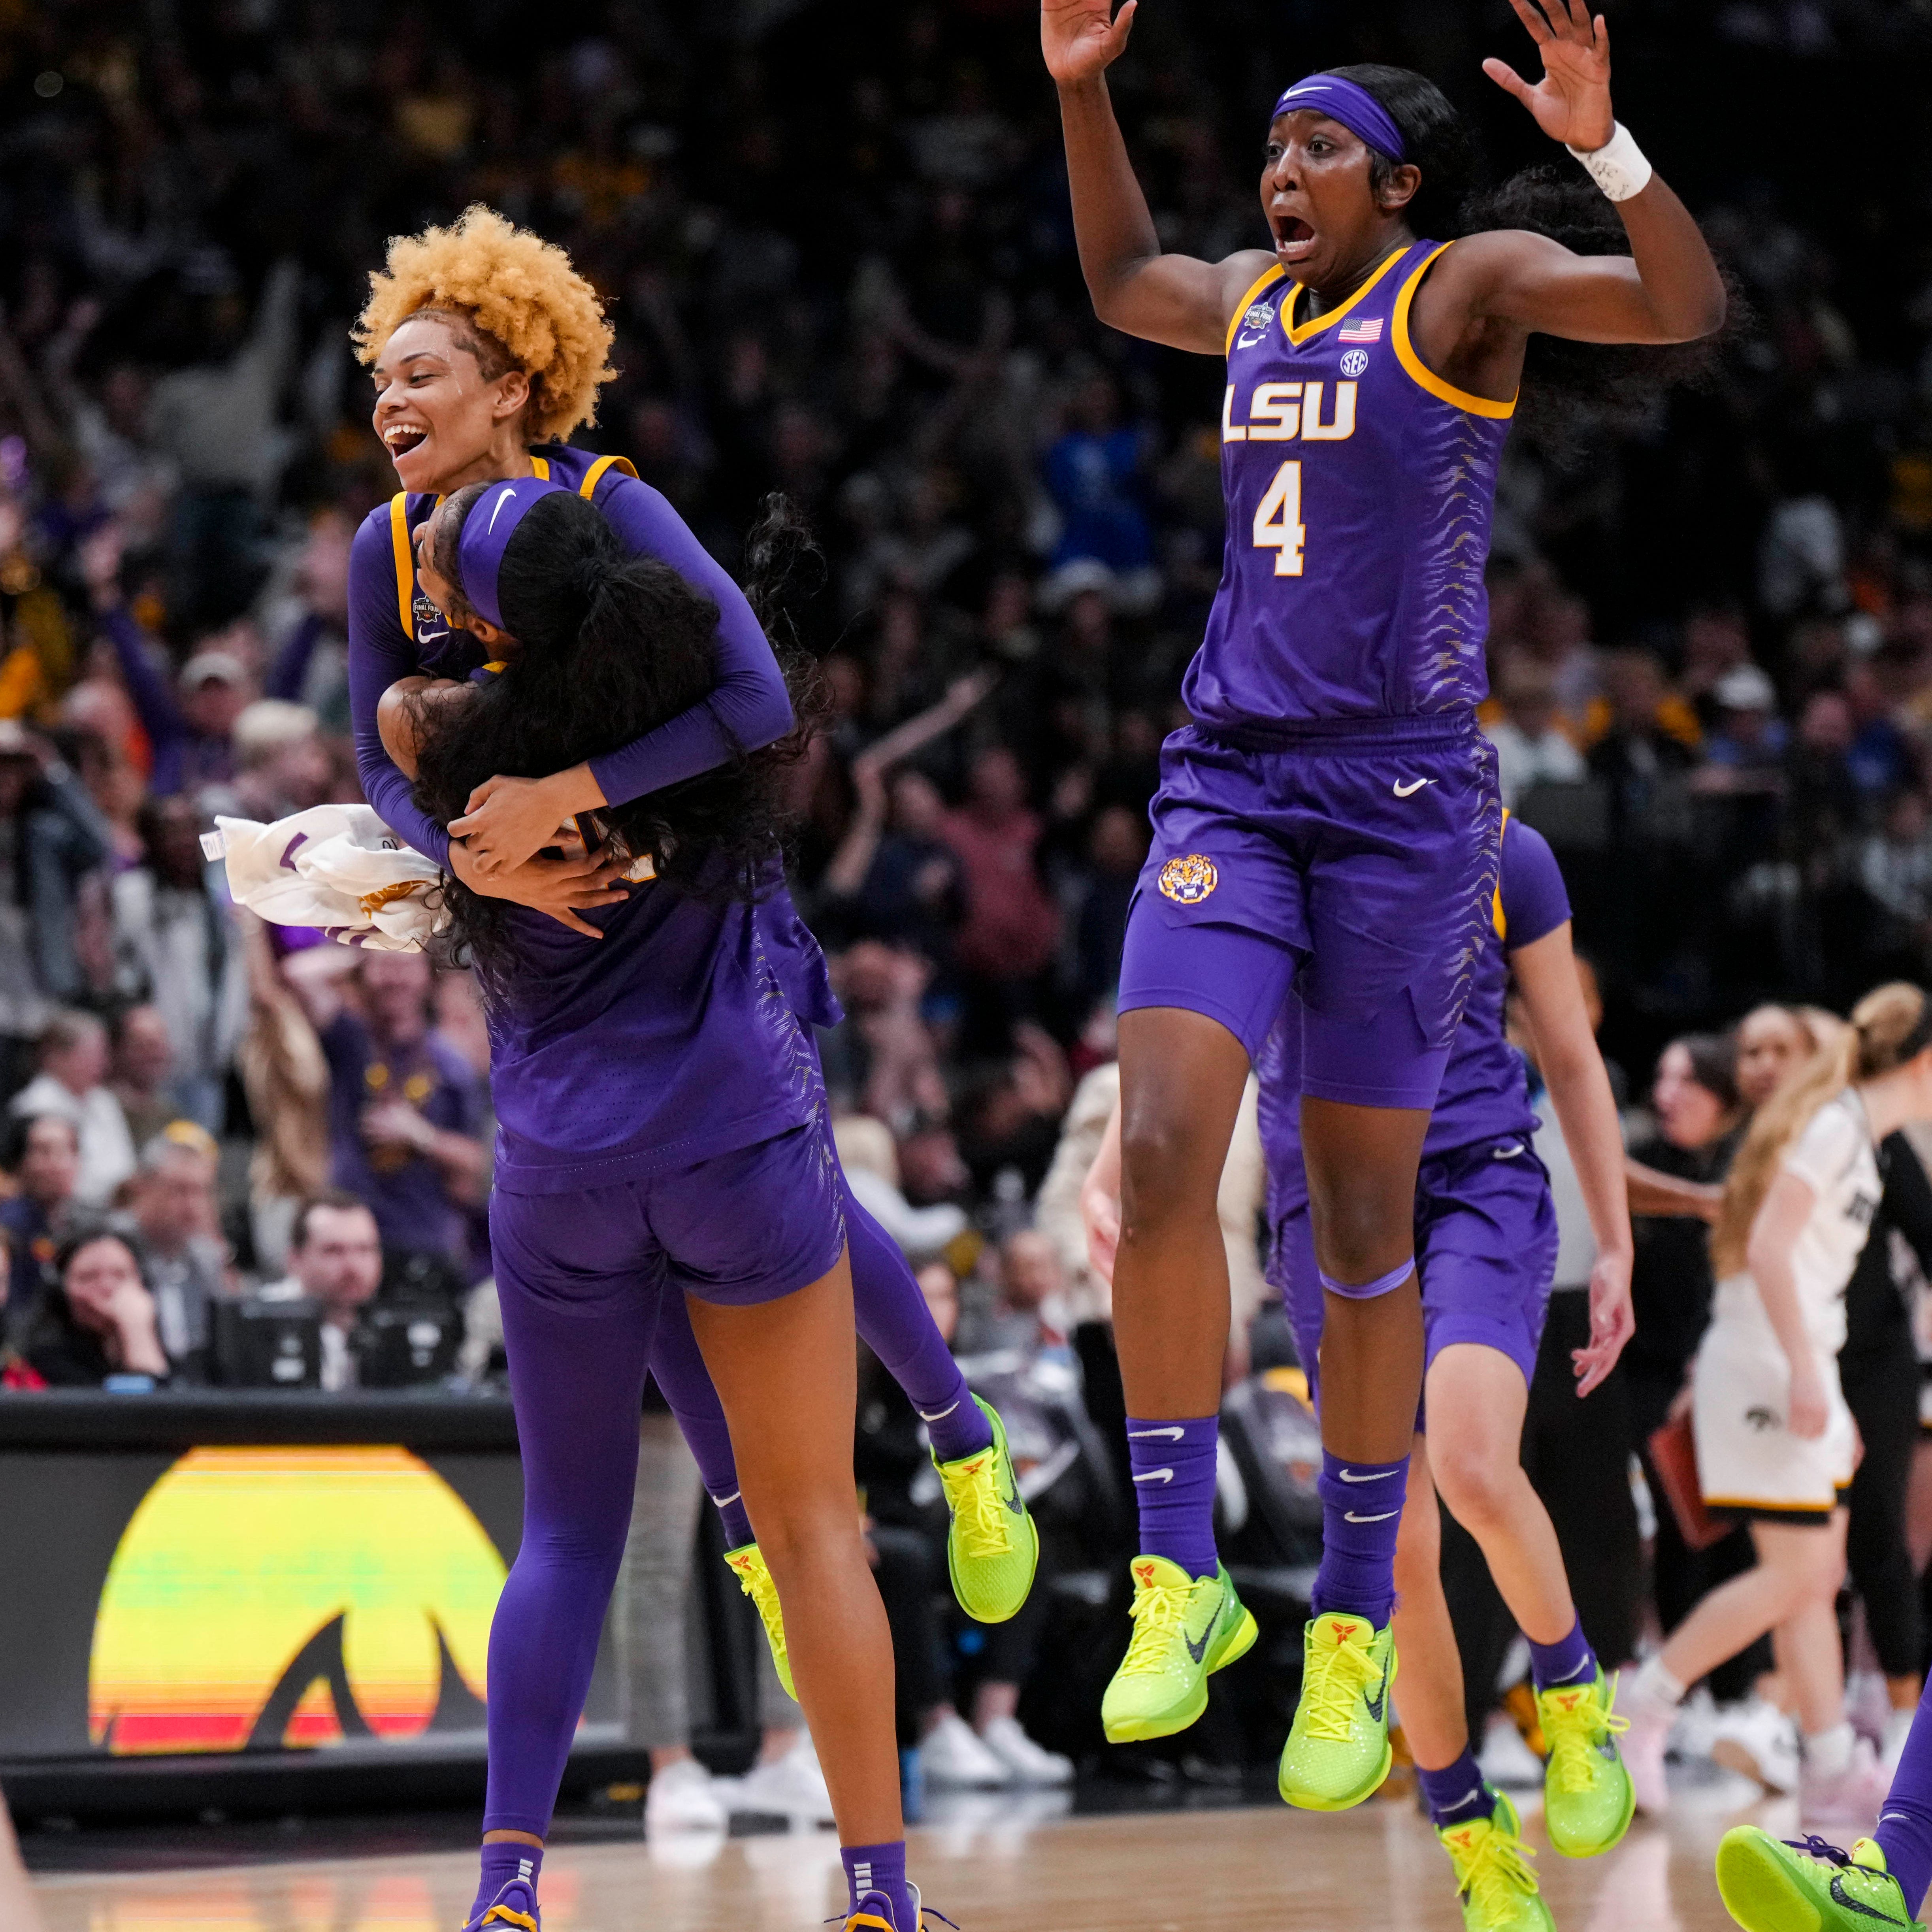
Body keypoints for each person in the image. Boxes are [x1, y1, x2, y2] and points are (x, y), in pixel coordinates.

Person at [1040, 0, 1726, 1806]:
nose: (1279, 173)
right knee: (1171, 1134)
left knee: (1361, 1228)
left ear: (1395, 181)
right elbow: (1119, 271)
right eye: (1268, 148)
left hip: (1409, 804)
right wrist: (1082, 88)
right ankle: (1178, 1577)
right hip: (1233, 777)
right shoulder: (1249, 309)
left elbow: (1682, 306)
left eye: (1316, 147)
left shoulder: (1460, 288)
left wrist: (1606, 146)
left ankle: (1352, 1620)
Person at [343, 200, 1036, 1793]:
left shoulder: (615, 509)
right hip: (542, 934)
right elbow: (379, 751)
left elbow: (763, 699)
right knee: (658, 1230)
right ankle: (772, 1542)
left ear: (514, 384)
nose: (391, 404)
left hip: (703, 898)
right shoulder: (382, 549)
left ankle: (959, 1432)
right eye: (378, 380)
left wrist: (570, 786)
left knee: (773, 1165)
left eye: (424, 373)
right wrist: (477, 862)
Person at [371, 463, 995, 1932]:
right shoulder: (697, 744)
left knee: (568, 1536)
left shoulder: (440, 738)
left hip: (561, 1178)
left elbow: (384, 751)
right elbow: (753, 693)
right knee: (812, 1531)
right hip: (731, 1146)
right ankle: (877, 1893)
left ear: (477, 614)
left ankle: (508, 1890)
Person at [1089, 811, 1641, 1930]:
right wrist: (1119, 1169)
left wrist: (1619, 1239)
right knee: (1397, 1542)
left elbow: (1573, 1058)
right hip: (1328, 1203)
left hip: (1476, 1180)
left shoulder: (1507, 851)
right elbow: (1203, 1020)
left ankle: (1574, 1692)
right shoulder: (1267, 843)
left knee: (1477, 1466)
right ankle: (1472, 1830)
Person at [1620, 985, 1932, 1834]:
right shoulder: (1834, 1126)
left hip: (1791, 1361)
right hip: (1765, 1362)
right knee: (1795, 1572)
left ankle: (1830, 1766)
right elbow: (1763, 1245)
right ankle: (1640, 1705)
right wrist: (1804, 1370)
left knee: (1815, 1575)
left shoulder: (1858, 1136)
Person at [282, 948, 488, 1274]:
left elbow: (479, 1164)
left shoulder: (451, 1065)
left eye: (407, 965)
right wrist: (369, 943)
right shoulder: (351, 1039)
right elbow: (299, 973)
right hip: (349, 1232)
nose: (395, 978)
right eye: (385, 966)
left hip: (422, 1239)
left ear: (428, 976)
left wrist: (422, 1136)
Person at [111, 1123, 228, 1377]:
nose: (193, 1206)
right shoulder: (111, 1249)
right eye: (180, 1190)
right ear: (144, 1188)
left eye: (202, 1192)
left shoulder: (206, 1257)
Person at [257, 1191, 384, 1392]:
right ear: (294, 1260)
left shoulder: (389, 1324)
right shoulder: (258, 1325)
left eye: (364, 1249)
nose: (353, 1267)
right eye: (334, 1251)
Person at [8, 1010, 136, 1207]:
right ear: (56, 1057)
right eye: (92, 1055)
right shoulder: (33, 1107)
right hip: (63, 1210)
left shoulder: (105, 1101)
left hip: (117, 1206)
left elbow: (126, 1165)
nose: (104, 1063)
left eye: (103, 1054)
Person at [17, 1230, 170, 1386]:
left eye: (120, 1275)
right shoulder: (46, 1358)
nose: (107, 1287)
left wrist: (138, 1331)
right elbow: (143, 1408)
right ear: (61, 1290)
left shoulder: (161, 1342)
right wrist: (138, 1336)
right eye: (89, 1277)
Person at [0, 1112, 82, 1313]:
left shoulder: (87, 1223)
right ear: (22, 1162)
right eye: (43, 1152)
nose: (55, 1165)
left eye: (65, 1151)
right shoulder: (9, 1224)